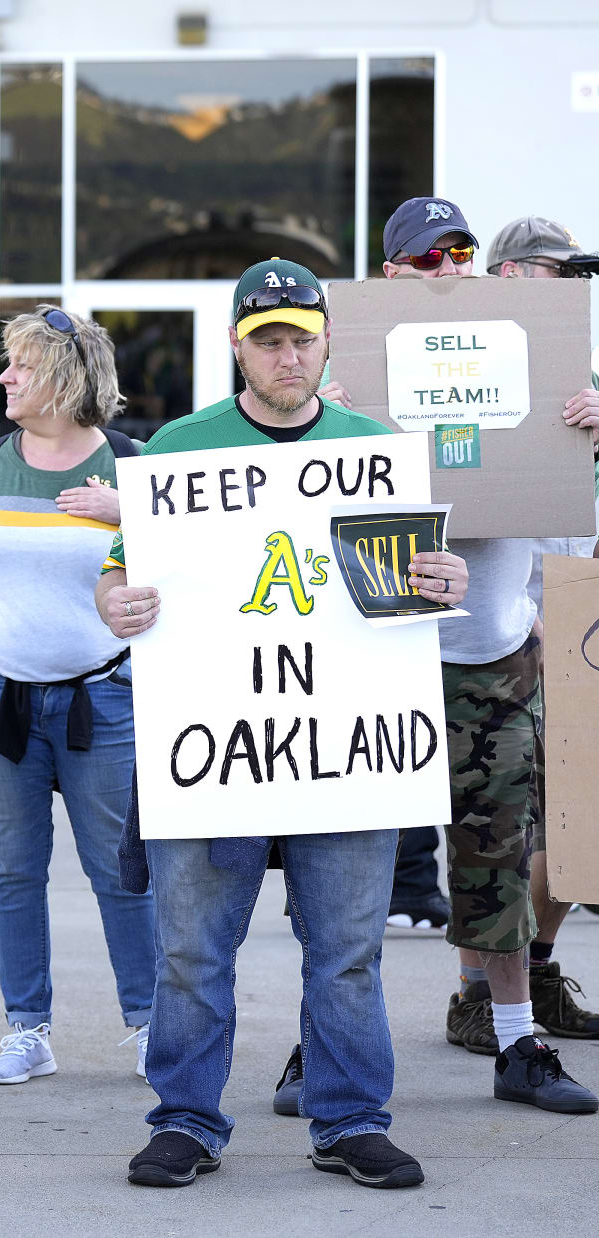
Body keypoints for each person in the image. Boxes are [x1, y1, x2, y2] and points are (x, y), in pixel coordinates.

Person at [98, 257, 472, 1190]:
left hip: (346, 745)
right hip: (217, 740)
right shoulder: (180, 449)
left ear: (326, 340)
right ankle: (185, 1119)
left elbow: (412, 583)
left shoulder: (372, 445)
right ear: (237, 345)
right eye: (268, 339)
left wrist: (445, 581)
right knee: (190, 948)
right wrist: (117, 602)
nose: (287, 355)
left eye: (301, 337)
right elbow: (120, 571)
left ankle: (348, 1120)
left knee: (348, 951)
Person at [340, 201, 598, 1114]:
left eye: (459, 250)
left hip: (494, 659)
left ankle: (519, 1043)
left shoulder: (531, 370)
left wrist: (590, 432)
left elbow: (574, 517)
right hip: (378, 660)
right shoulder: (347, 380)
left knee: (495, 861)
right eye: (425, 256)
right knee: (350, 870)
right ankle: (322, 1046)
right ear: (392, 274)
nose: (447, 265)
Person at [0, 307, 155, 1086]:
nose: (6, 377)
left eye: (21, 364)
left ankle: (153, 1024)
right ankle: (27, 1030)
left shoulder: (133, 468)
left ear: (67, 374)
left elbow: (186, 577)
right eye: (8, 364)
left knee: (120, 871)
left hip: (104, 701)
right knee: (13, 870)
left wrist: (134, 513)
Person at [491, 214, 599, 1044]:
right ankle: (484, 996)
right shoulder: (468, 368)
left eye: (576, 276)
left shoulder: (587, 384)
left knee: (574, 821)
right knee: (499, 829)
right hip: (493, 629)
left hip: (576, 619)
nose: (574, 288)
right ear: (513, 277)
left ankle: (541, 970)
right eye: (557, 272)